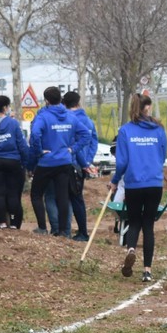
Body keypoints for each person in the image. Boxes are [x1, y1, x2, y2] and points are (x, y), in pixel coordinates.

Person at [110, 94, 167, 282]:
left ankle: (131, 249)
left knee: (134, 221)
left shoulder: (125, 131)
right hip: (154, 182)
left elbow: (122, 162)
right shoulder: (159, 129)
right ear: (148, 107)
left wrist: (115, 179)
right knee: (148, 225)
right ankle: (147, 271)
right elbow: (162, 155)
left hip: (134, 183)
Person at [28, 86, 92, 237]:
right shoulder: (70, 116)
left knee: (36, 194)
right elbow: (85, 135)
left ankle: (42, 228)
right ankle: (63, 231)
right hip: (64, 162)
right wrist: (72, 149)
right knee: (62, 196)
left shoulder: (43, 116)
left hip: (46, 162)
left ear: (47, 101)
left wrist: (38, 152)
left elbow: (35, 134)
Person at [0, 95, 29, 229]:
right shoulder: (13, 123)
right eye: (8, 106)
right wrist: (25, 163)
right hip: (12, 161)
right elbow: (22, 145)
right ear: (5, 108)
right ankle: (14, 223)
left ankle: (2, 222)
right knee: (13, 193)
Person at [63, 90, 98, 241]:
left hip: (70, 163)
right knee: (77, 197)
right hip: (82, 166)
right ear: (78, 103)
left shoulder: (68, 120)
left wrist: (82, 161)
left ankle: (78, 232)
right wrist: (87, 161)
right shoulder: (89, 121)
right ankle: (80, 231)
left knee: (69, 198)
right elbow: (94, 142)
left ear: (64, 104)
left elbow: (72, 144)